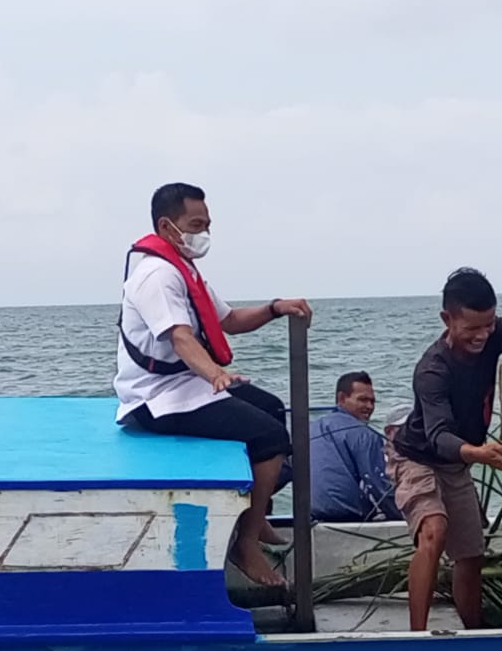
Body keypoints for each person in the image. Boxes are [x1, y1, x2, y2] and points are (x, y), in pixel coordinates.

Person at [114, 181, 312, 587]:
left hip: (189, 385)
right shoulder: (155, 275)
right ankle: (244, 544)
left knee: (272, 407)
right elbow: (181, 337)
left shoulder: (183, 268)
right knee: (271, 437)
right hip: (156, 399)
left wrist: (276, 308)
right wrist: (216, 376)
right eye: (196, 224)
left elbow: (228, 321)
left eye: (207, 224)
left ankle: (255, 519)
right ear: (168, 226)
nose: (204, 234)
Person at [391, 268, 502, 630]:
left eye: (488, 324)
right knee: (434, 531)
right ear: (447, 319)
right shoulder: (432, 370)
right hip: (417, 456)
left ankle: (474, 631)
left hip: (458, 462)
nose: (483, 335)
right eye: (472, 328)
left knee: (471, 554)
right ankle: (416, 636)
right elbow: (439, 435)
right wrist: (480, 453)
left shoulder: (495, 331)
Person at [309, 372, 399, 523]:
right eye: (363, 400)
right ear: (342, 398)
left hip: (310, 514)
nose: (369, 407)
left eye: (372, 402)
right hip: (349, 516)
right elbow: (380, 487)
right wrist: (404, 518)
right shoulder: (366, 435)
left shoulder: (308, 429)